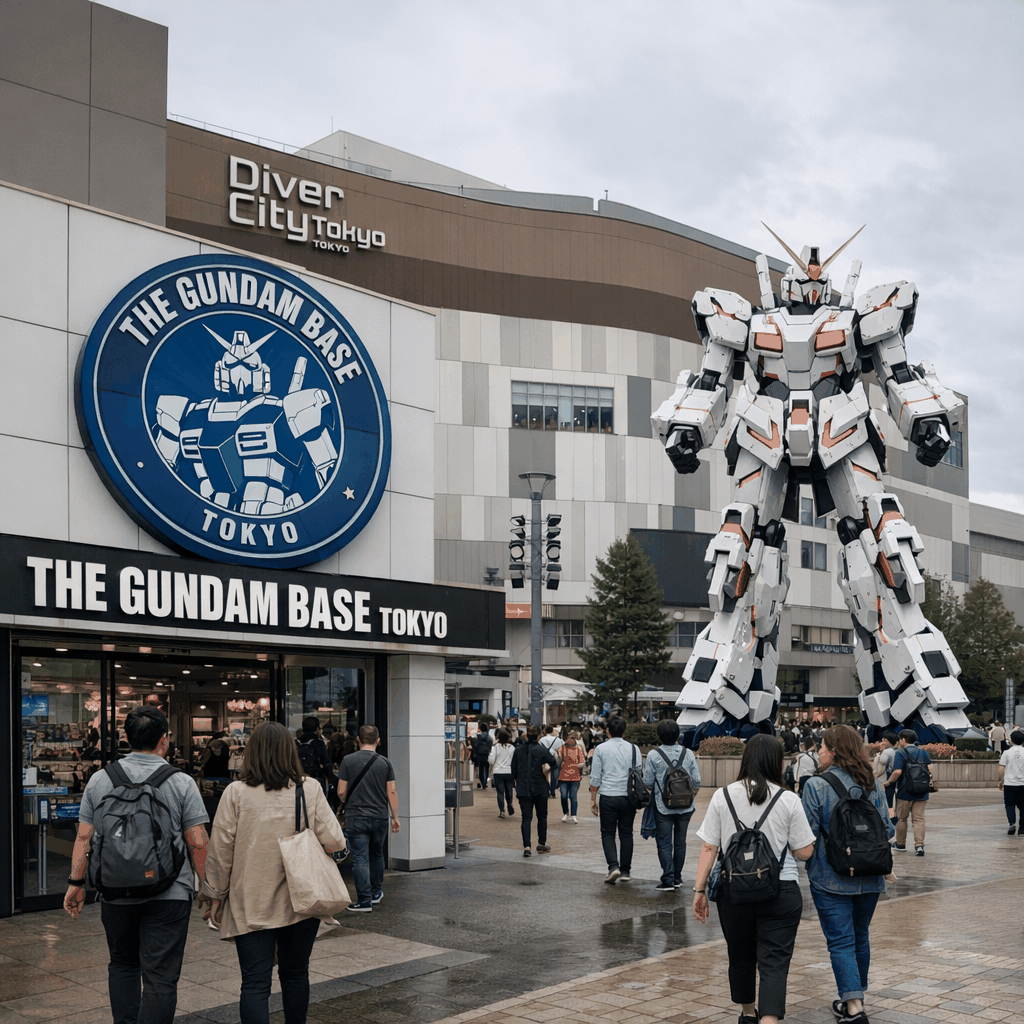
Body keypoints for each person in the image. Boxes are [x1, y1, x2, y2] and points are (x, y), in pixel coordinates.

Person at [64, 706, 211, 1024]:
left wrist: (76, 883)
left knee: (122, 965)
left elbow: (84, 838)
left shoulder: (100, 780)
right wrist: (207, 887)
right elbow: (198, 840)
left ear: (127, 738)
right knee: (160, 978)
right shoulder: (181, 782)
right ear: (164, 740)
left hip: (115, 892)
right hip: (169, 894)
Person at [203, 721, 346, 1024]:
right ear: (289, 751)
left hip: (249, 900)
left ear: (251, 753)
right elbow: (335, 841)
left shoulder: (235, 793)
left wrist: (214, 895)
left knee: (254, 983)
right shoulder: (309, 788)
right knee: (295, 975)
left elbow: (220, 850)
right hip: (301, 900)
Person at [691, 734, 816, 1024]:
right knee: (774, 963)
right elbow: (804, 852)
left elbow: (709, 847)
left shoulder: (722, 796)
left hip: (734, 893)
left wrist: (699, 890)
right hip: (781, 892)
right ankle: (769, 1020)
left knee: (741, 956)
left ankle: (748, 1014)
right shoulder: (789, 799)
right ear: (776, 761)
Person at [801, 725, 896, 1024]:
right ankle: (856, 992)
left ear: (834, 750)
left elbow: (807, 836)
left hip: (830, 877)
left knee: (841, 941)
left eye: (823, 746)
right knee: (860, 937)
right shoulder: (872, 784)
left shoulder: (816, 785)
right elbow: (889, 830)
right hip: (871, 875)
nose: (819, 751)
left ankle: (854, 1006)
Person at [336, 724, 401, 911]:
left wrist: (347, 799)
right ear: (378, 741)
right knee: (377, 854)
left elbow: (341, 792)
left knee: (360, 859)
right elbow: (392, 792)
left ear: (358, 740)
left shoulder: (348, 761)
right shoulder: (385, 762)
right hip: (380, 816)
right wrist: (395, 817)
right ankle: (376, 893)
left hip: (356, 816)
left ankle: (364, 901)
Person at [643, 718, 701, 891]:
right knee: (680, 843)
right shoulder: (688, 753)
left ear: (659, 735)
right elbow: (697, 781)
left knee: (664, 842)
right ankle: (677, 877)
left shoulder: (654, 755)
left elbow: (647, 782)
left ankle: (667, 879)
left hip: (663, 806)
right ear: (678, 735)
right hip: (686, 806)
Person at [589, 715, 642, 884]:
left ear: (607, 731)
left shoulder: (601, 749)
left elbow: (595, 777)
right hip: (628, 797)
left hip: (608, 796)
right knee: (626, 833)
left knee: (608, 832)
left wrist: (593, 799)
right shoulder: (634, 749)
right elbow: (639, 773)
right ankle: (626, 870)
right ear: (624, 730)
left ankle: (613, 867)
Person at [511, 725, 557, 856]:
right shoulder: (542, 750)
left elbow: (513, 770)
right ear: (538, 736)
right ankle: (541, 843)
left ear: (526, 735)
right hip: (540, 787)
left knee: (526, 817)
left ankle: (527, 846)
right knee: (542, 816)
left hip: (523, 787)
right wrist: (545, 771)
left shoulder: (518, 750)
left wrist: (518, 781)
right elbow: (554, 764)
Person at [888, 729, 932, 855]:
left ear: (902, 740)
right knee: (919, 819)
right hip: (922, 791)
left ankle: (900, 844)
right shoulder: (923, 752)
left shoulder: (900, 753)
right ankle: (919, 846)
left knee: (902, 819)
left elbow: (897, 772)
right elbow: (930, 768)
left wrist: (889, 782)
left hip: (904, 791)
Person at [296, 717, 336, 796]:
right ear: (317, 729)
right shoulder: (318, 743)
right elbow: (326, 763)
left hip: (299, 779)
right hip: (316, 779)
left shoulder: (297, 742)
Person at [998, 729, 1024, 835]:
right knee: (1023, 806)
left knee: (1009, 804)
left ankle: (1012, 824)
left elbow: (1001, 768)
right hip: (1023, 784)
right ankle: (1022, 827)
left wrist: (1000, 780)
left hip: (1009, 784)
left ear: (1011, 740)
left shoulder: (1007, 753)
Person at [557, 731, 586, 822]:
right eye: (569, 738)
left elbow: (582, 762)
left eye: (573, 738)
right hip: (563, 776)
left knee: (573, 797)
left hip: (575, 777)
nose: (571, 740)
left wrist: (577, 765)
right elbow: (557, 759)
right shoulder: (561, 748)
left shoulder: (578, 750)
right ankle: (565, 813)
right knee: (563, 796)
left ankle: (574, 814)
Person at [488, 728, 516, 818]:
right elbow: (514, 760)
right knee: (509, 790)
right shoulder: (512, 748)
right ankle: (510, 803)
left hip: (498, 772)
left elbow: (491, 761)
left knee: (500, 792)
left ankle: (502, 811)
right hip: (509, 771)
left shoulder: (495, 747)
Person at [873, 732, 899, 823]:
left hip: (886, 778)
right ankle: (892, 816)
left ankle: (889, 817)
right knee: (892, 798)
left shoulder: (887, 751)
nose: (883, 742)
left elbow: (883, 761)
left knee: (887, 799)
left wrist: (879, 755)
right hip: (896, 777)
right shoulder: (897, 751)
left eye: (885, 740)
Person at [540, 724, 564, 797]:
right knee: (554, 775)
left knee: (545, 775)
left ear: (544, 731)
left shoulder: (541, 740)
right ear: (552, 731)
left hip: (544, 758)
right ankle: (553, 791)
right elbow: (561, 749)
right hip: (555, 757)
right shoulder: (558, 740)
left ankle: (546, 790)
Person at [471, 723, 493, 789]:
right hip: (486, 754)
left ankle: (482, 781)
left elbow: (475, 746)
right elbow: (490, 746)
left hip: (479, 754)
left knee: (480, 768)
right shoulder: (489, 737)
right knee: (486, 768)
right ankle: (485, 782)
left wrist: (474, 754)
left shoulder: (478, 737)